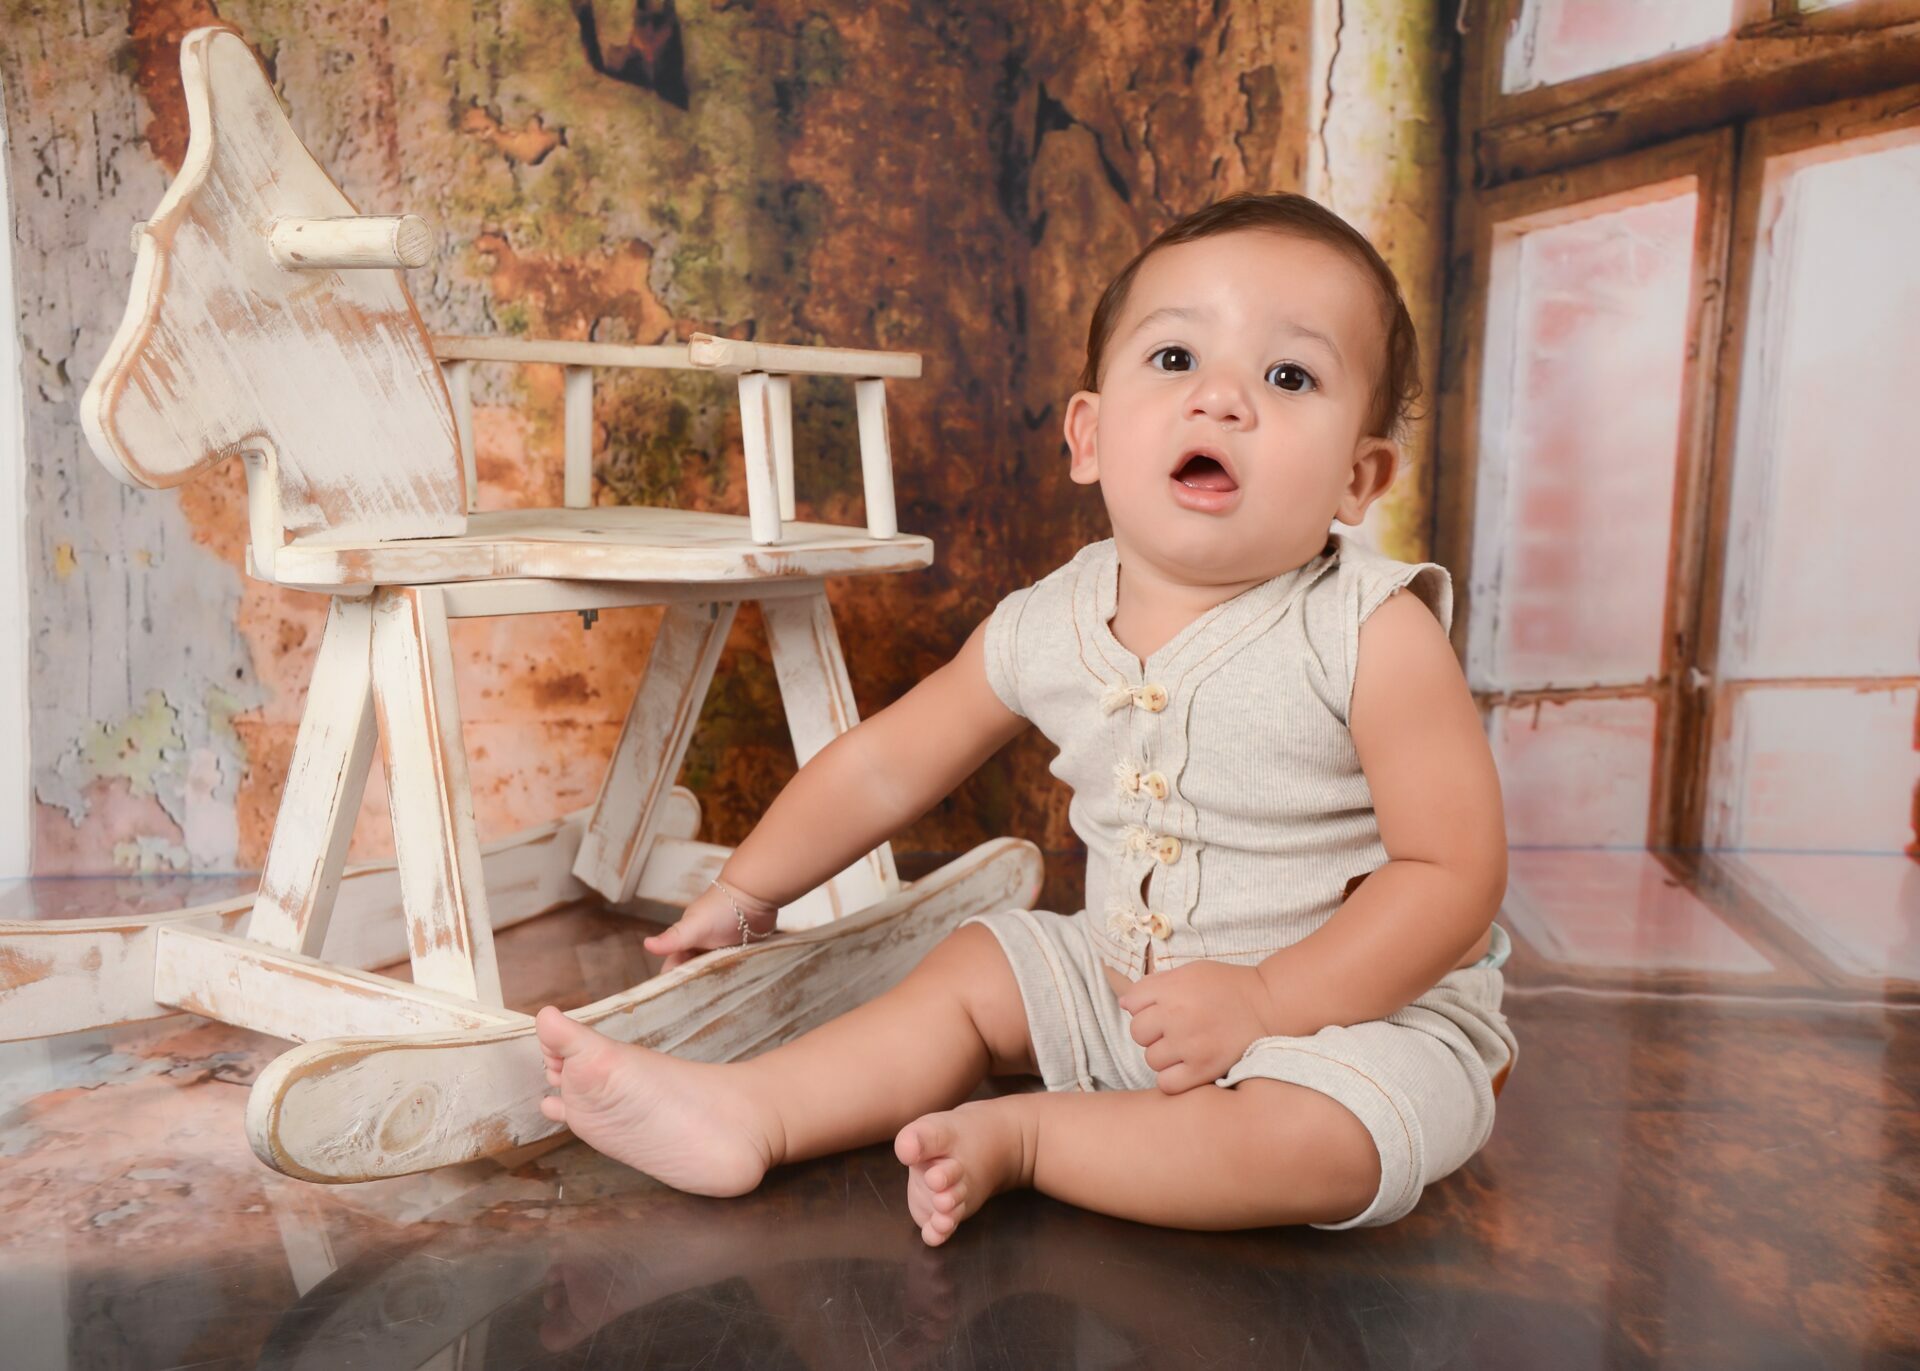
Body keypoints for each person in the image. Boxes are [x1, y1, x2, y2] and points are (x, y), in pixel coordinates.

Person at [534, 191, 1518, 1246]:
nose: (1222, 400)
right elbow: (886, 766)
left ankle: (1032, 1138)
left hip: (1351, 1019)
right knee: (973, 970)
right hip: (1120, 990)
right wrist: (745, 892)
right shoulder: (1051, 621)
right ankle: (752, 1113)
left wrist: (1269, 1002)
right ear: (1089, 436)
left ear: (1359, 478)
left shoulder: (1372, 632)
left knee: (1327, 1144)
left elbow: (1452, 875)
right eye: (1176, 359)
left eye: (1289, 377)